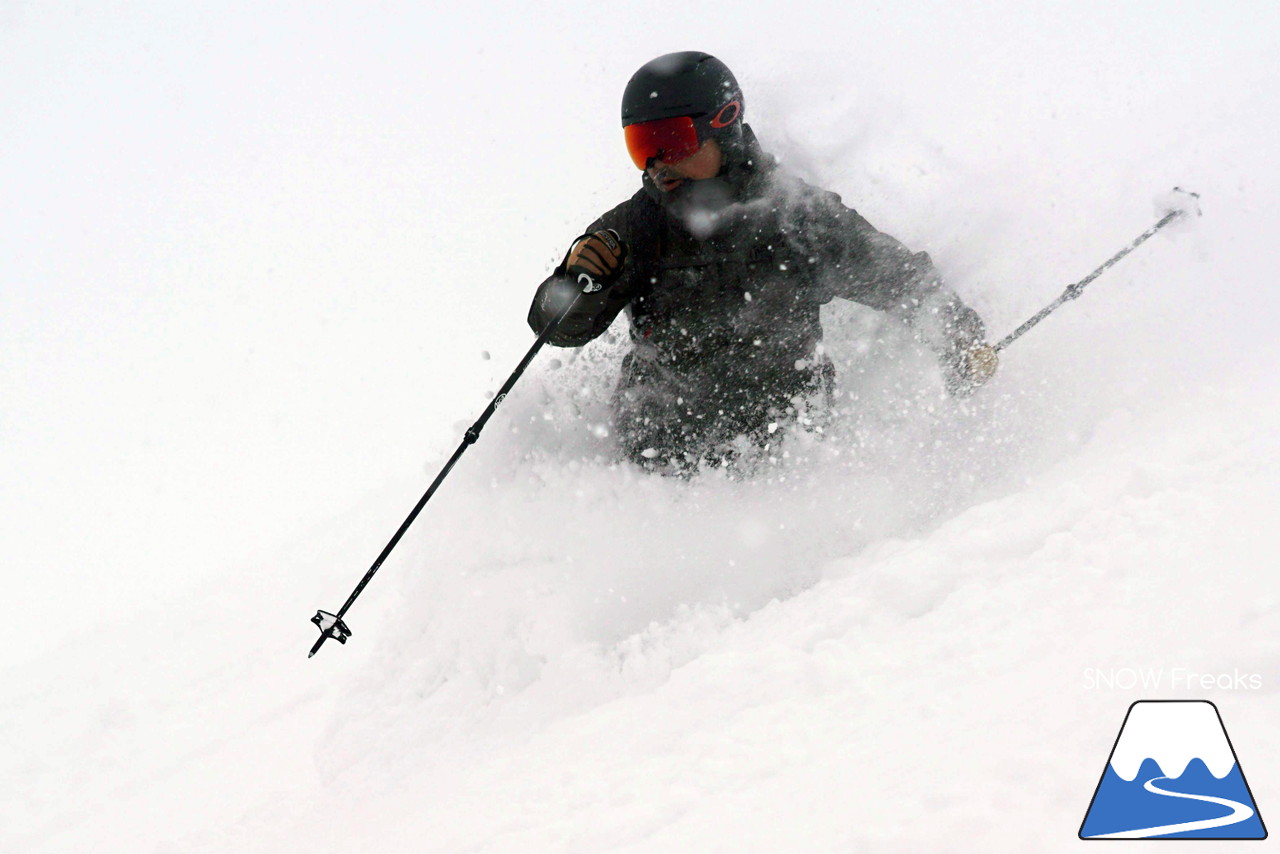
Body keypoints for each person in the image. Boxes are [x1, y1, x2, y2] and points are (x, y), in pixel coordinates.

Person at [528, 51, 998, 474]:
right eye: (641, 145)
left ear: (724, 124)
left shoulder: (797, 217)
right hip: (659, 460)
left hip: (785, 453)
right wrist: (574, 284)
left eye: (672, 140)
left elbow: (897, 278)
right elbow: (558, 329)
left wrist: (959, 338)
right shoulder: (636, 227)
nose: (657, 163)